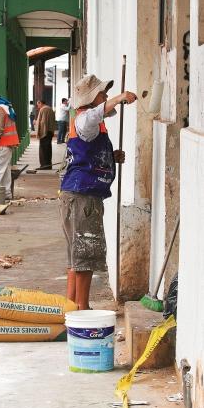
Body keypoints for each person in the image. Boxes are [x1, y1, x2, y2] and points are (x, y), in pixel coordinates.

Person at [59, 74, 137, 310]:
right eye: (102, 94)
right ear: (92, 99)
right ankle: (82, 308)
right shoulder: (85, 119)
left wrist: (111, 159)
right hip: (83, 197)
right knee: (85, 255)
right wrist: (120, 97)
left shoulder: (91, 125)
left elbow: (87, 155)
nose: (105, 97)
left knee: (77, 255)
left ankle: (72, 306)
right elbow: (94, 115)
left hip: (77, 194)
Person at [36, 99, 56, 169]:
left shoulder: (43, 109)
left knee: (43, 149)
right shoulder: (50, 109)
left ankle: (44, 165)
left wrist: (38, 129)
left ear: (40, 103)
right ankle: (48, 165)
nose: (37, 106)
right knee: (48, 149)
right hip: (50, 131)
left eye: (38, 104)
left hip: (44, 132)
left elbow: (42, 122)